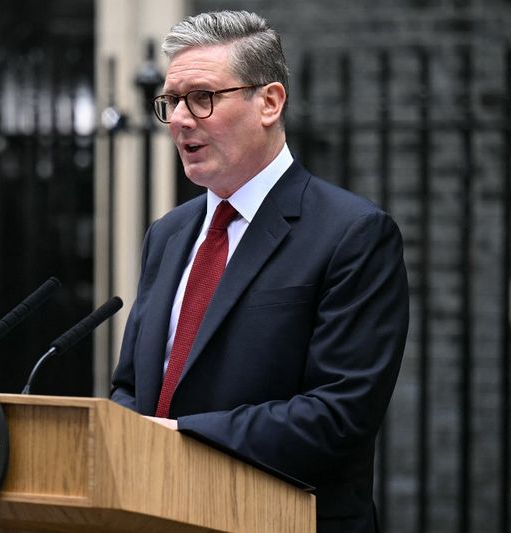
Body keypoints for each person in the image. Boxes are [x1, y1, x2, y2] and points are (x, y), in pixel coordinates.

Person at [110, 10, 409, 533]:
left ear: (269, 102)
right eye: (171, 102)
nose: (180, 119)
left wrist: (175, 437)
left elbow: (338, 417)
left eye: (201, 97)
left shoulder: (353, 233)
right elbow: (132, 389)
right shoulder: (168, 233)